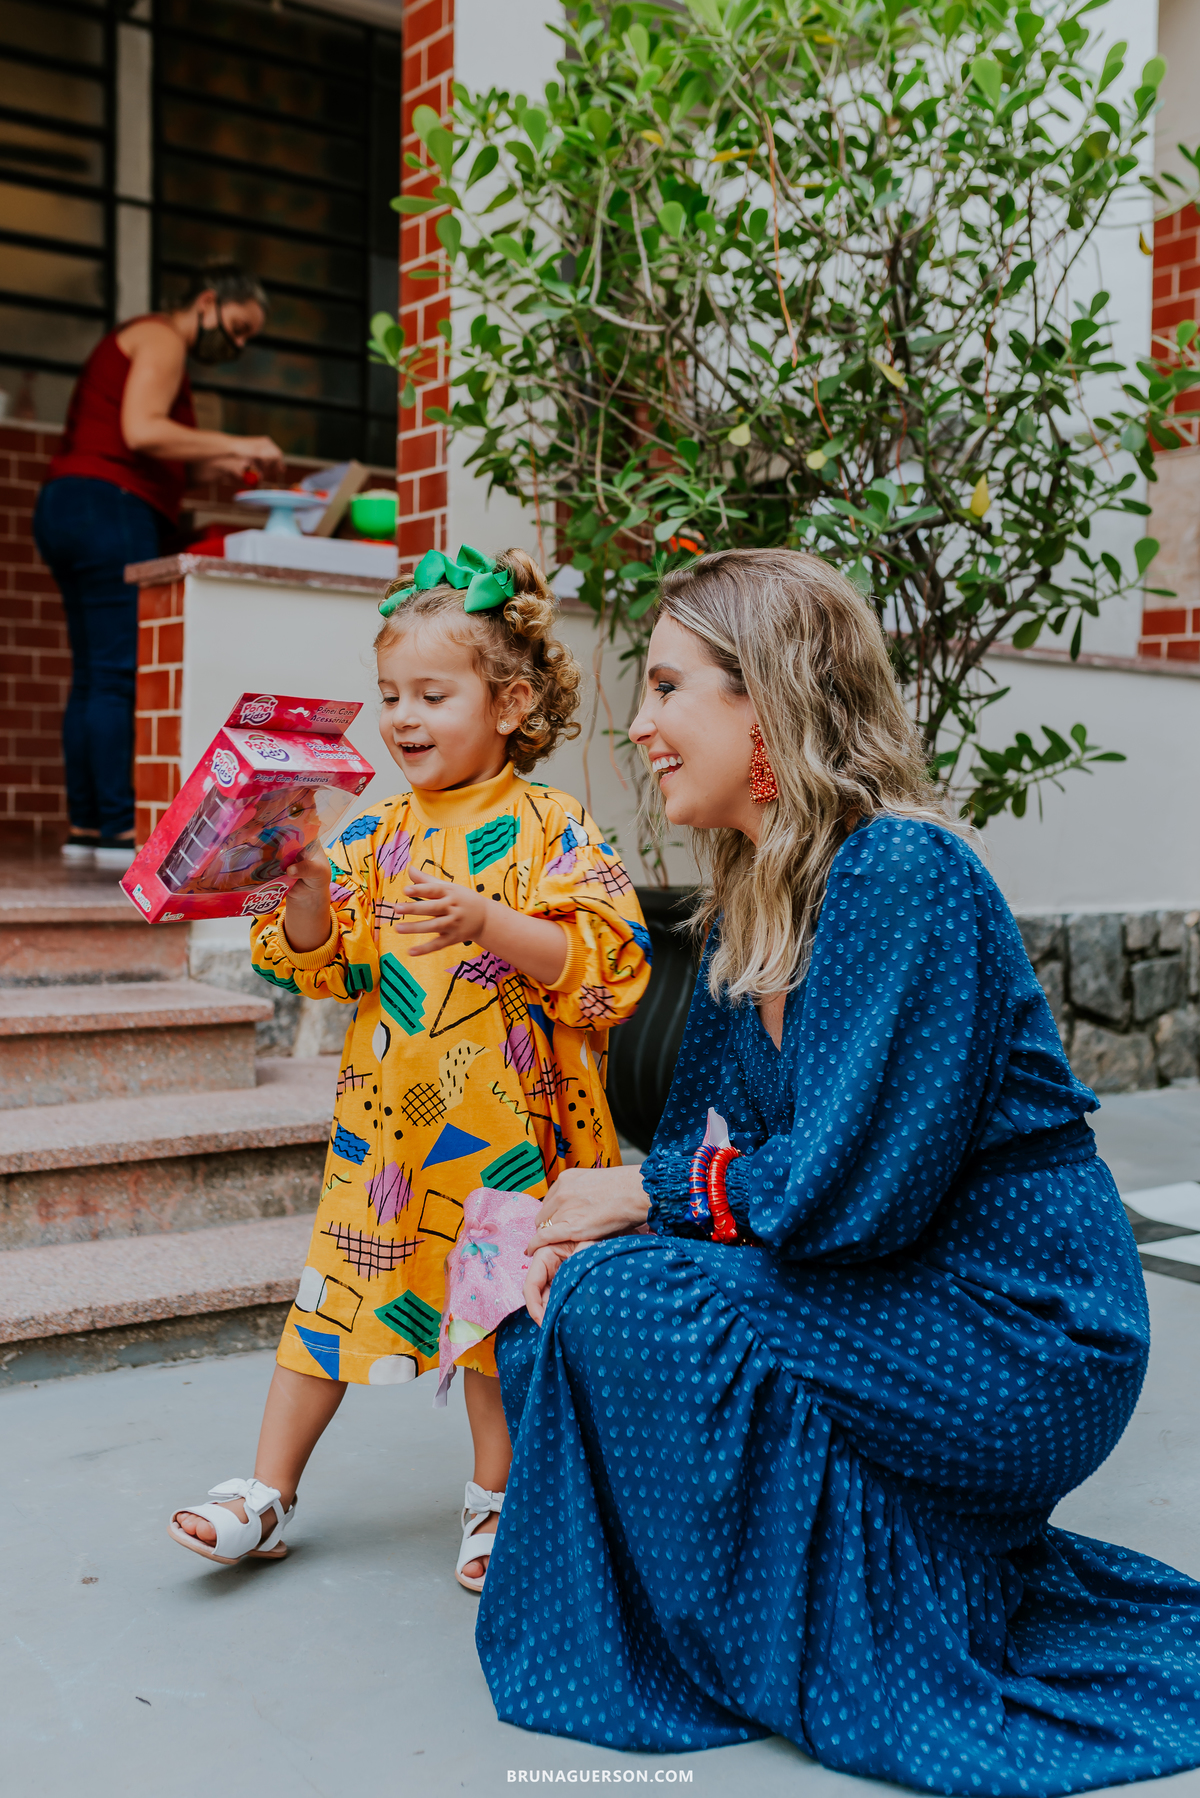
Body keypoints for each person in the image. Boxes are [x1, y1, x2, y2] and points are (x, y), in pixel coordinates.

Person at [477, 548, 1200, 1794]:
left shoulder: (906, 875)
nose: (638, 725)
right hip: (875, 1290)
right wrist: (562, 1230)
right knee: (564, 1300)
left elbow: (854, 1195)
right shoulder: (749, 909)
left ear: (766, 696)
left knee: (628, 1294)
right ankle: (794, 1612)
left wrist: (636, 1208)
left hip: (1018, 1325)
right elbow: (703, 1152)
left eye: (664, 686)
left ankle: (828, 1629)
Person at [167, 545, 651, 1591]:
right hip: (385, 1143)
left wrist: (490, 919)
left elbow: (608, 967)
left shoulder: (550, 826)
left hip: (514, 1146)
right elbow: (322, 962)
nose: (402, 716)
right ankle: (267, 1490)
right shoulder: (372, 833)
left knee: (493, 1328)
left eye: (434, 692)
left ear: (512, 702)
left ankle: (495, 1501)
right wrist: (297, 884)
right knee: (328, 1306)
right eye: (390, 694)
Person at [33, 262, 284, 870]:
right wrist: (238, 444)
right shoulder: (163, 337)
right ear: (206, 301)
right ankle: (120, 834)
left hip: (69, 505)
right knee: (118, 674)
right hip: (107, 508)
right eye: (239, 327)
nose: (240, 343)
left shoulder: (152, 349)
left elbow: (146, 445)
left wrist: (211, 468)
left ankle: (89, 828)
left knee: (94, 673)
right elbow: (141, 430)